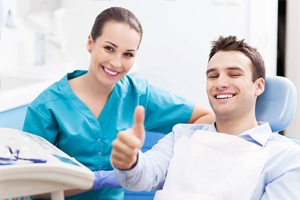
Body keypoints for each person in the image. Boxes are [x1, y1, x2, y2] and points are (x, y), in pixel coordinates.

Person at [22, 6, 215, 200]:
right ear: (90, 43)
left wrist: (157, 160)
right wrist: (96, 180)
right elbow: (33, 187)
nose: (116, 63)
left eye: (128, 54)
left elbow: (206, 118)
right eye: (109, 48)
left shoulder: (138, 95)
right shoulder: (46, 107)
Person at [111, 35, 300, 200]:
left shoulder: (285, 158)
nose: (220, 83)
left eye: (234, 74)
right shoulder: (182, 136)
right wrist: (130, 162)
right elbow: (142, 176)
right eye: (213, 76)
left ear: (259, 86)